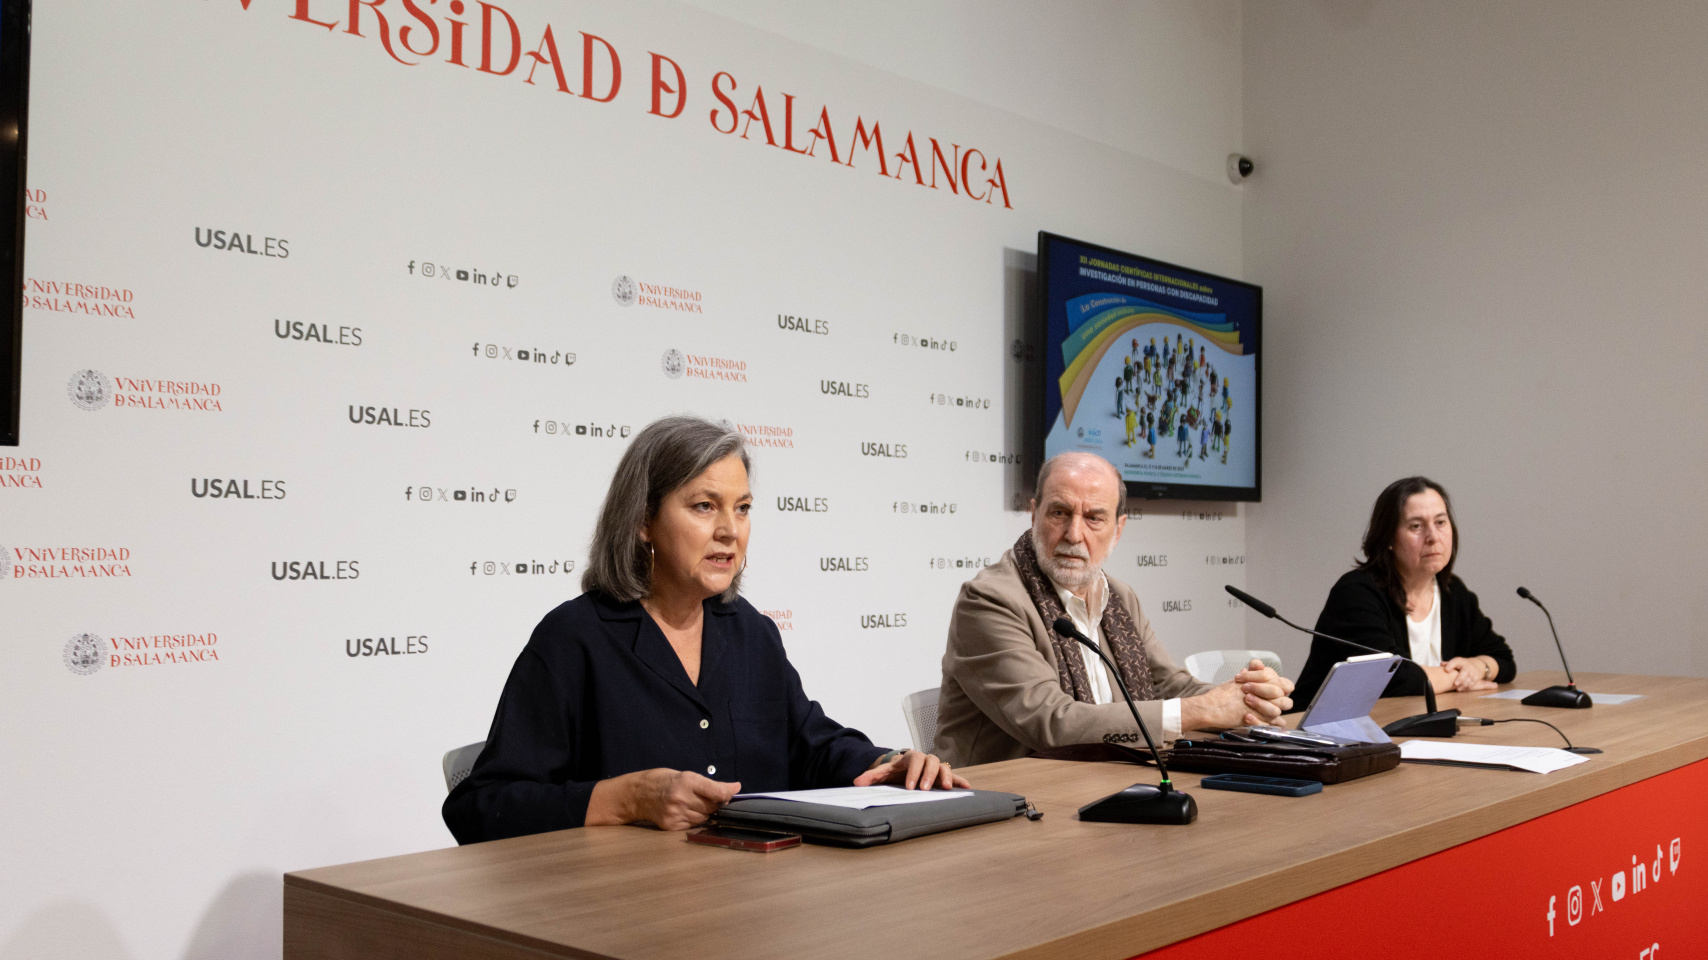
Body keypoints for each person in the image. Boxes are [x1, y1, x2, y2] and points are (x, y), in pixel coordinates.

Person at [444, 417, 965, 843]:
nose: (729, 531)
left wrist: (888, 764)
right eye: (704, 506)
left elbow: (810, 745)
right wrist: (622, 801)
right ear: (642, 520)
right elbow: (478, 808)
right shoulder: (574, 639)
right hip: (624, 914)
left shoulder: (750, 633)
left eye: (741, 509)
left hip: (750, 905)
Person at [933, 452, 1294, 767]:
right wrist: (1204, 711)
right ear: (1034, 514)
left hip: (1105, 777)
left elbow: (1167, 684)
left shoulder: (1117, 596)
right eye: (1059, 512)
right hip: (1010, 799)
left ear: (1118, 529)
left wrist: (1244, 700)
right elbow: (1051, 723)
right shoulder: (989, 601)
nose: (1074, 534)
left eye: (1094, 518)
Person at [1290, 476, 1517, 710]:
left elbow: (1503, 659)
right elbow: (1392, 678)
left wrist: (1480, 668)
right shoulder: (1356, 593)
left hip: (1406, 729)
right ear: (1388, 538)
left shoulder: (1452, 592)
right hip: (1323, 735)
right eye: (1416, 526)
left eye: (1440, 522)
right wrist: (1461, 677)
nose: (1432, 537)